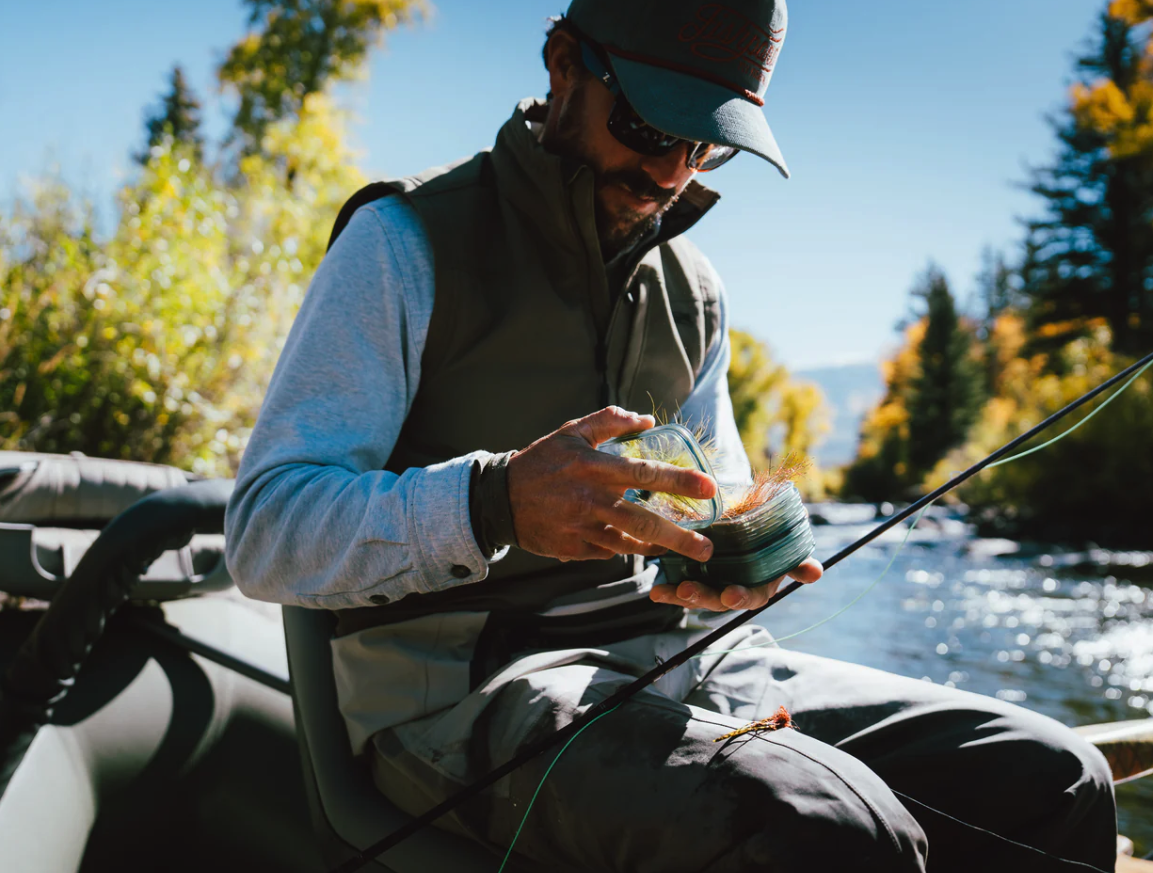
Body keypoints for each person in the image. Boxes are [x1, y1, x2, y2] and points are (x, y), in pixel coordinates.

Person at [225, 0, 1117, 869]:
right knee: (827, 829)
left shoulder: (697, 292)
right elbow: (264, 534)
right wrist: (492, 502)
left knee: (1055, 778)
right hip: (458, 692)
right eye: (653, 127)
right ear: (565, 64)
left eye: (707, 143)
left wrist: (728, 566)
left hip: (684, 661)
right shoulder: (401, 242)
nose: (673, 174)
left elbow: (707, 512)